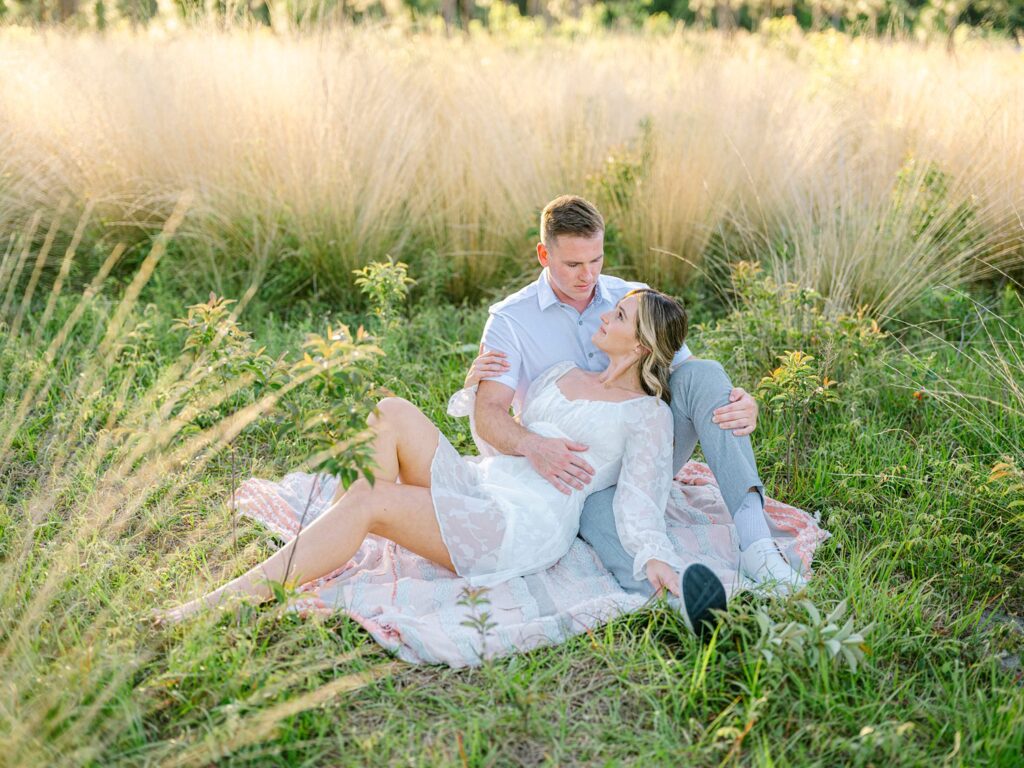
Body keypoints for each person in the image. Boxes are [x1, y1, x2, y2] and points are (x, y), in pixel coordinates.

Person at [158, 288, 722, 632]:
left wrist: (657, 560)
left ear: (642, 346)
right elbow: (493, 443)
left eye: (620, 317)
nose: (604, 317)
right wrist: (479, 393)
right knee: (391, 409)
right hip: (487, 483)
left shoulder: (645, 414)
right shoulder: (559, 376)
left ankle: (222, 602)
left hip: (523, 523)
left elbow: (641, 501)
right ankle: (337, 541)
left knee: (374, 498)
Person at [456, 195, 805, 621]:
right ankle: (682, 604)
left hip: (647, 442)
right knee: (606, 519)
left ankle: (757, 546)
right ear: (544, 254)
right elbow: (488, 414)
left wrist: (740, 401)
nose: (589, 276)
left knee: (706, 373)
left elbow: (689, 372)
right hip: (578, 471)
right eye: (573, 265)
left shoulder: (629, 298)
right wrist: (534, 447)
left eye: (596, 260)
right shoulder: (511, 321)